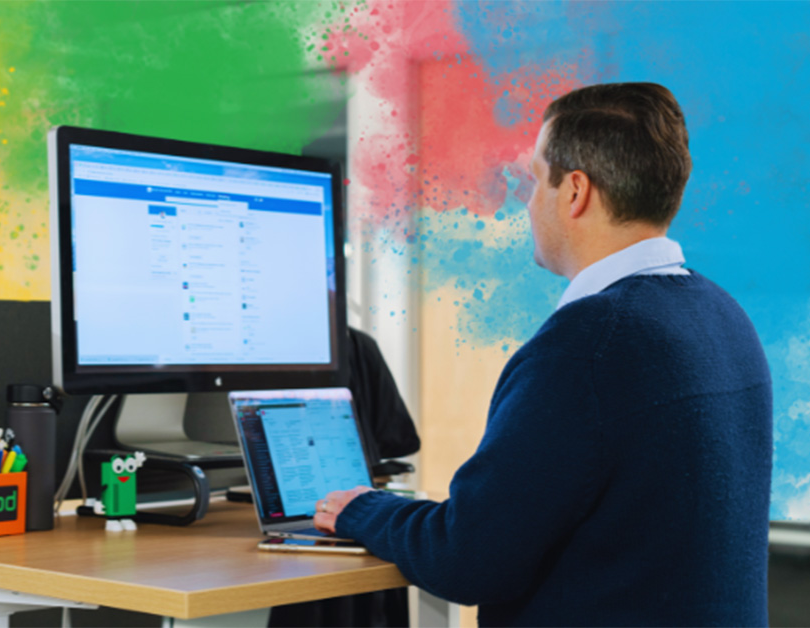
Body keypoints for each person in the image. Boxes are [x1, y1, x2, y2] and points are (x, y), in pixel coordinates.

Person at [313, 83, 772, 626]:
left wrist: (363, 508)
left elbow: (465, 561)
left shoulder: (588, 346)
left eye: (535, 179)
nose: (527, 201)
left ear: (575, 191)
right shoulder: (724, 316)